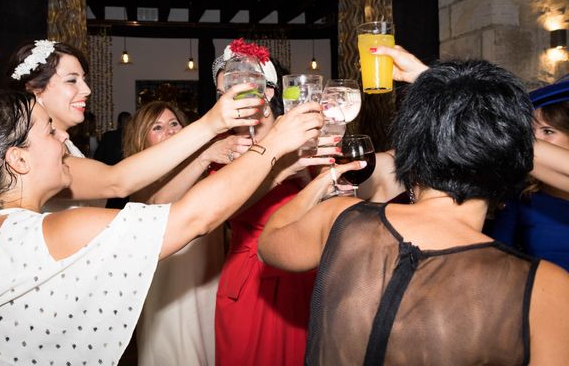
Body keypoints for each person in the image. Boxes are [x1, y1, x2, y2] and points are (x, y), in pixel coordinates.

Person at [0, 86, 322, 365]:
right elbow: (192, 218)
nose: (64, 135)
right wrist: (273, 146)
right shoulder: (55, 232)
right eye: (49, 130)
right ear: (17, 160)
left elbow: (117, 178)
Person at [258, 49, 569, 364]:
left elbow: (269, 242)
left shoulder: (339, 220)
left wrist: (322, 182)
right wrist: (481, 120)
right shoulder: (547, 288)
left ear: (411, 151)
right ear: (514, 166)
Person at [5, 39, 258, 213]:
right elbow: (117, 181)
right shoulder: (35, 152)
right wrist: (210, 124)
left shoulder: (65, 145)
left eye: (84, 79)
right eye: (72, 80)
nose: (87, 90)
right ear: (33, 89)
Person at [212, 39, 336, 366]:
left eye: (241, 84)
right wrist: (278, 171)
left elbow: (326, 195)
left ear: (267, 92)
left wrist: (307, 169)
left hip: (300, 264)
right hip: (248, 279)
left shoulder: (299, 133)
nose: (230, 96)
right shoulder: (222, 147)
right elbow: (218, 212)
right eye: (224, 89)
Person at [125, 101, 250, 366]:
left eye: (174, 124)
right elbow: (158, 203)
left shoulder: (206, 172)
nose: (169, 131)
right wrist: (204, 156)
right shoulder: (140, 176)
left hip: (209, 281)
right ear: (141, 138)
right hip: (170, 292)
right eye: (157, 128)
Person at [489, 80, 569, 270]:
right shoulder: (520, 196)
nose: (536, 140)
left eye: (548, 131)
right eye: (530, 132)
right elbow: (498, 257)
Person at [94, 111, 132, 209]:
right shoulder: (132, 137)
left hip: (109, 177)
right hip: (125, 178)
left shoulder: (108, 136)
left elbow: (98, 158)